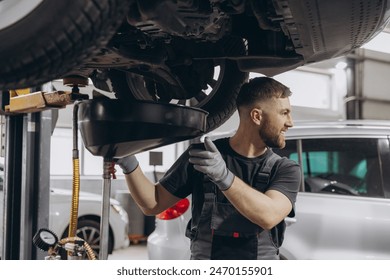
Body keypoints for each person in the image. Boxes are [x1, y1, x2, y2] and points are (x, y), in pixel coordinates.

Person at [115, 76, 301, 260]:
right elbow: (153, 203)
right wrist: (130, 164)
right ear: (257, 116)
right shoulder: (203, 157)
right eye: (284, 113)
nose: (290, 122)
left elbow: (268, 216)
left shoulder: (285, 169)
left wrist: (224, 177)